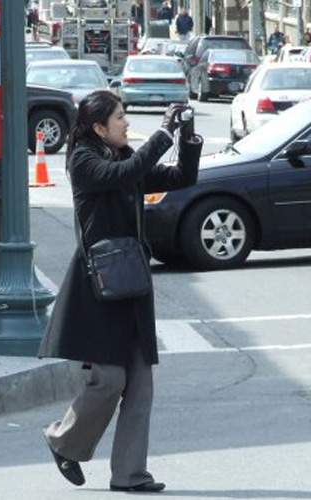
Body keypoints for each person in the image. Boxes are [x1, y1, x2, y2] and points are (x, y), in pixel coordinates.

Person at [38, 92, 203, 492]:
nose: (126, 123)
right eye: (120, 117)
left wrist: (188, 136)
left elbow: (181, 177)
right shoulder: (84, 160)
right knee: (109, 379)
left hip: (131, 281)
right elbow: (123, 175)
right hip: (99, 285)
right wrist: (162, 132)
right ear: (98, 127)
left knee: (141, 384)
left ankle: (130, 475)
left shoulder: (123, 157)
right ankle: (64, 440)